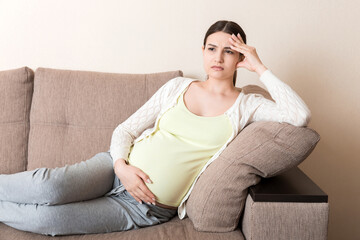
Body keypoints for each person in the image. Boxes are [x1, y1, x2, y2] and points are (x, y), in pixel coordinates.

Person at [0, 20, 311, 236]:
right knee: (47, 187)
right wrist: (122, 166)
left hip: (147, 208)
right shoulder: (177, 86)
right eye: (211, 48)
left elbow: (299, 116)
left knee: (48, 218)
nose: (218, 57)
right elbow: (125, 130)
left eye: (229, 51)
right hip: (113, 169)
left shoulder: (248, 105)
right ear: (202, 51)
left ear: (240, 56)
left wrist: (260, 68)